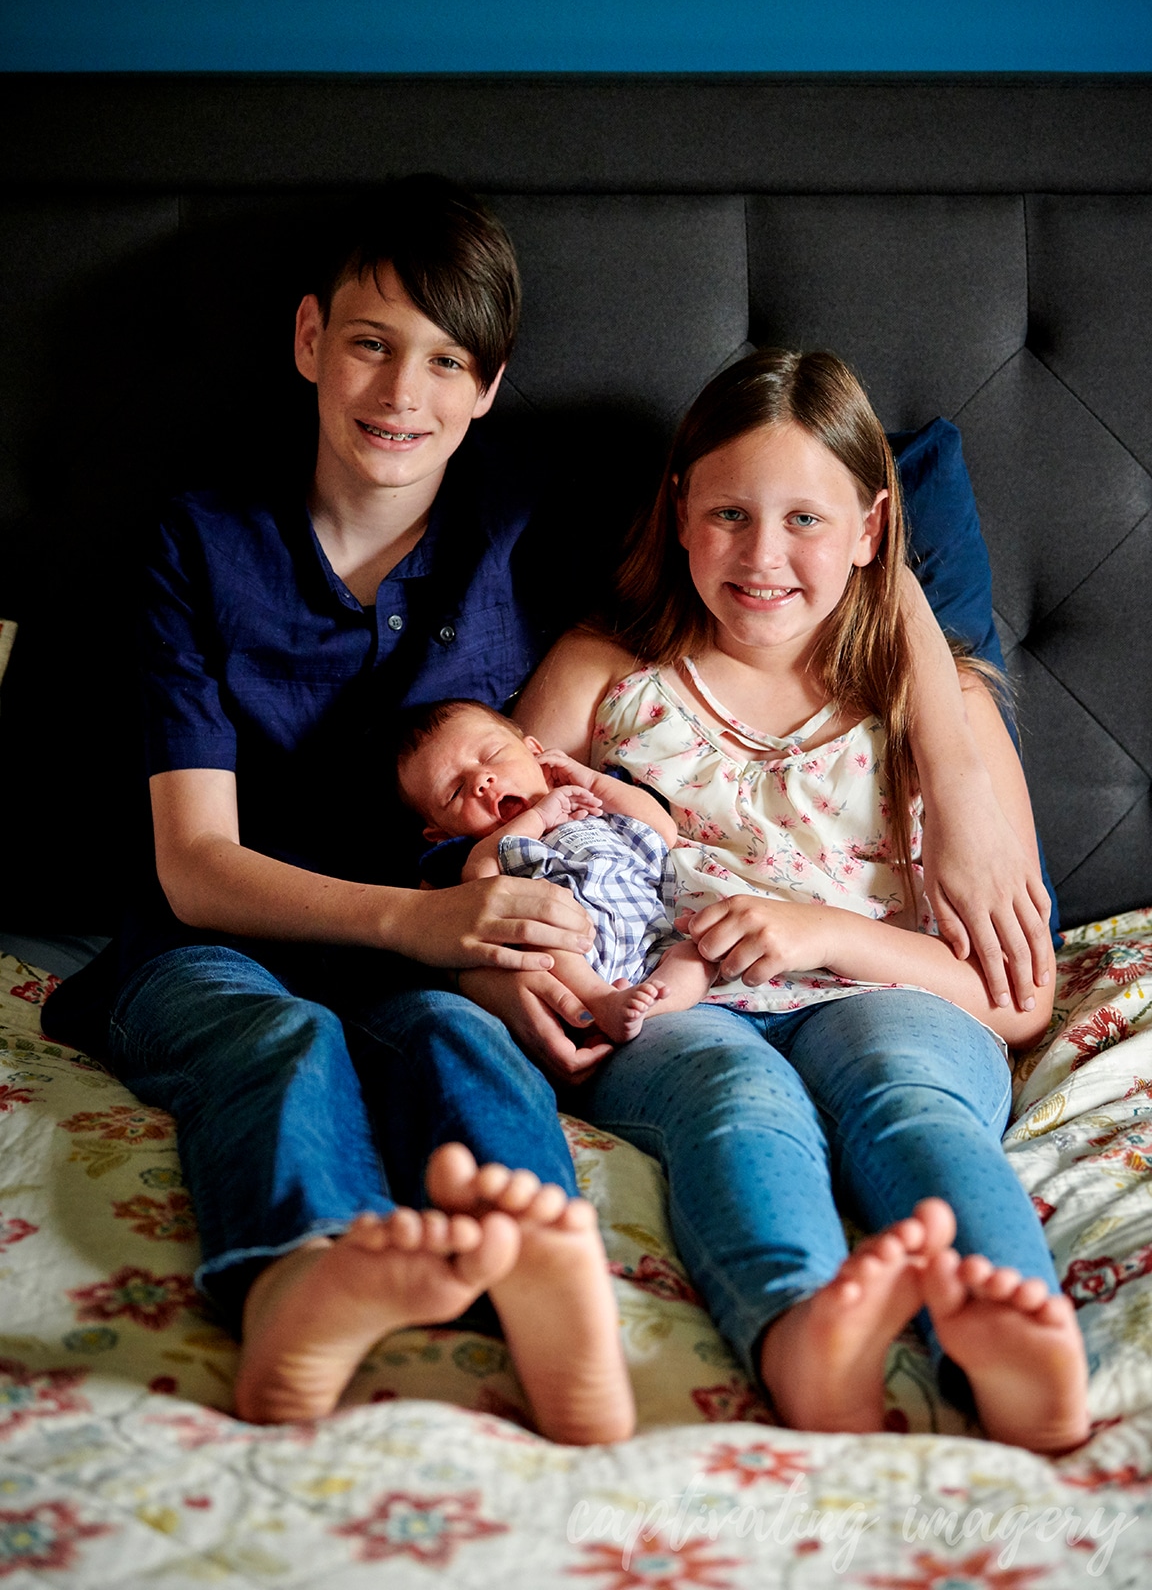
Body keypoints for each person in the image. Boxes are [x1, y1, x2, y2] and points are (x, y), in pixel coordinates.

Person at [42, 175, 634, 1444]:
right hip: (213, 943)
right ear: (311, 340)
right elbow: (197, 864)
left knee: (463, 1048)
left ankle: (535, 1271)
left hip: (432, 966)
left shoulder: (525, 521)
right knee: (277, 1048)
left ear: (487, 385)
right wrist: (425, 928)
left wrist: (948, 710)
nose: (400, 393)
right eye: (370, 344)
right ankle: (306, 1275)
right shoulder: (197, 543)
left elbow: (800, 506)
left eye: (443, 361)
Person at [510, 347, 1089, 1453]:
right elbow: (497, 869)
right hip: (678, 1007)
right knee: (736, 1104)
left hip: (894, 996)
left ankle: (1017, 1331)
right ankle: (799, 1333)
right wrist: (528, 980)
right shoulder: (605, 676)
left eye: (806, 521)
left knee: (907, 1093)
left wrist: (824, 933)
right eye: (728, 512)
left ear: (873, 528)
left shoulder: (940, 706)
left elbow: (1015, 1005)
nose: (762, 555)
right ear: (678, 513)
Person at [395, 698, 718, 1041]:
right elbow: (481, 883)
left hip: (654, 934)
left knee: (698, 955)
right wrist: (540, 816)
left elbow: (663, 830)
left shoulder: (595, 802)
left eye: (491, 756)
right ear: (441, 833)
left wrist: (591, 782)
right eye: (456, 791)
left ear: (535, 751)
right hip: (573, 950)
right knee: (540, 936)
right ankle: (602, 1001)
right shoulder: (479, 850)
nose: (482, 780)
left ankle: (644, 1010)